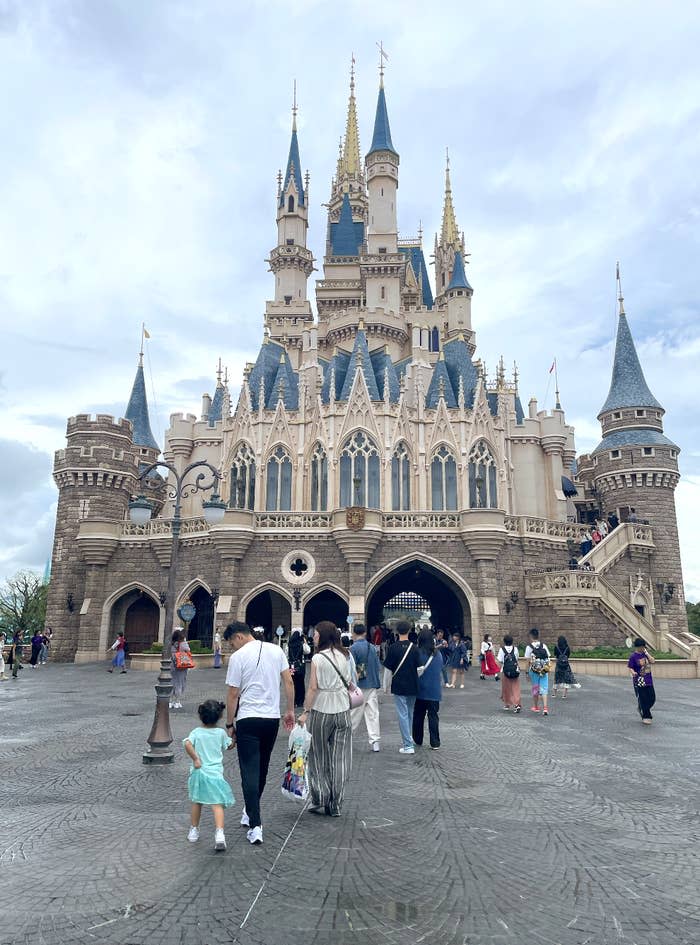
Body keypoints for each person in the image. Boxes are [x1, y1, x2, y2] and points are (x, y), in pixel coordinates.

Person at [224, 620, 294, 845]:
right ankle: (250, 810)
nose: (233, 648)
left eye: (232, 643)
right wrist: (290, 710)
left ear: (239, 637)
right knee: (262, 769)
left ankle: (255, 825)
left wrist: (229, 724)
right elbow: (289, 682)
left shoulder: (238, 657)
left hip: (248, 720)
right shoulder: (276, 650)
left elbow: (233, 694)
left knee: (249, 771)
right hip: (271, 720)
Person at [298, 622, 353, 815]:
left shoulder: (318, 658)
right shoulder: (345, 655)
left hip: (322, 711)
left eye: (316, 634)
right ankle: (336, 804)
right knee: (340, 759)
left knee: (319, 756)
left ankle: (320, 796)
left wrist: (306, 711)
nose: (313, 637)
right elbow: (350, 681)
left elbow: (313, 687)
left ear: (323, 636)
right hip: (343, 710)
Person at [184, 699, 235, 851]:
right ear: (219, 717)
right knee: (216, 804)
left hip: (198, 773)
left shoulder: (196, 733)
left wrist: (196, 758)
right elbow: (229, 745)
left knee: (196, 801)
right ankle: (220, 834)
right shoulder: (220, 733)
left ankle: (194, 830)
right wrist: (234, 739)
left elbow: (187, 743)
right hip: (215, 774)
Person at [383, 620, 421, 754]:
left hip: (399, 685)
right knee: (409, 713)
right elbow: (420, 668)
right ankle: (408, 737)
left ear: (397, 632)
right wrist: (415, 677)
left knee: (402, 715)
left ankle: (407, 745)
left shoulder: (393, 648)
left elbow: (388, 670)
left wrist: (385, 687)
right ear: (410, 631)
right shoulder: (415, 648)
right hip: (413, 685)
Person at [349, 623, 382, 751]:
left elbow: (351, 669)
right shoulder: (372, 647)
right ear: (365, 633)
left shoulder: (353, 649)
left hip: (358, 687)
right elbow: (377, 666)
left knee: (354, 714)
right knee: (373, 714)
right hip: (372, 684)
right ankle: (375, 742)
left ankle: (348, 739)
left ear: (354, 633)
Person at [412, 628, 442, 749]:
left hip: (420, 690)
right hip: (434, 691)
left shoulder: (417, 653)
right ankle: (435, 742)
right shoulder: (437, 654)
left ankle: (418, 739)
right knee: (433, 716)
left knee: (418, 715)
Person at [628, 638, 656, 725]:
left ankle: (641, 708)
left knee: (652, 698)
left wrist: (647, 653)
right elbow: (630, 667)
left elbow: (653, 661)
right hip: (639, 680)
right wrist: (633, 672)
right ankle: (646, 716)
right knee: (643, 698)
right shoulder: (633, 656)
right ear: (637, 647)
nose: (642, 648)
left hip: (648, 680)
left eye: (643, 647)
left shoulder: (645, 654)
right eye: (640, 647)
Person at [524, 628, 551, 715]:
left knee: (535, 687)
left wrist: (527, 673)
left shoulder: (529, 647)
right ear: (538, 636)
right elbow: (548, 658)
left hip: (534, 670)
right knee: (544, 688)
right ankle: (545, 708)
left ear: (531, 636)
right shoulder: (544, 646)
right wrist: (547, 669)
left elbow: (527, 661)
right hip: (544, 670)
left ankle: (536, 707)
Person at [496, 634, 521, 713]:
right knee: (515, 688)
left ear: (504, 642)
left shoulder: (502, 650)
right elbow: (517, 659)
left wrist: (497, 673)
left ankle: (507, 704)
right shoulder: (515, 649)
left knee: (506, 688)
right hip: (514, 670)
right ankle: (517, 703)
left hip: (505, 671)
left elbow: (499, 662)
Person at [288, 626, 307, 708]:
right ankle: (300, 701)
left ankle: (294, 701)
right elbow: (308, 650)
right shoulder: (301, 644)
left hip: (292, 666)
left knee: (293, 683)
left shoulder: (289, 645)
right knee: (301, 683)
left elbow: (286, 655)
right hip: (300, 667)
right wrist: (305, 642)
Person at [170, 629, 190, 707]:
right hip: (182, 666)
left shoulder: (171, 644)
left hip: (172, 666)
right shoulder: (183, 644)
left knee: (172, 682)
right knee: (180, 682)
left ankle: (171, 701)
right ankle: (177, 701)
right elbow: (188, 650)